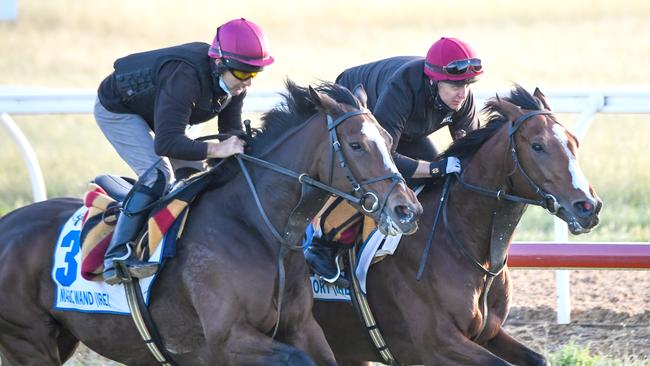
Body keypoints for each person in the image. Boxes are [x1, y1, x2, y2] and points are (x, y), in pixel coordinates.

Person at [94, 18, 274, 285]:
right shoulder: (185, 77)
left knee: (194, 179)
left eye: (254, 74)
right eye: (241, 73)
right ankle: (117, 256)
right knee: (158, 176)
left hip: (161, 109)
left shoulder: (234, 83)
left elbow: (230, 132)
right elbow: (166, 143)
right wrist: (216, 148)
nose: (246, 82)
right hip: (120, 109)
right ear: (219, 62)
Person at [305, 37, 483, 282]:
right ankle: (324, 245)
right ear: (433, 80)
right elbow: (386, 159)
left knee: (439, 178)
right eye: (454, 86)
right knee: (376, 173)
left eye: (467, 84)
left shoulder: (464, 99)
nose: (462, 94)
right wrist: (434, 169)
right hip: (358, 101)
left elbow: (470, 154)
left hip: (403, 129)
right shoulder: (403, 86)